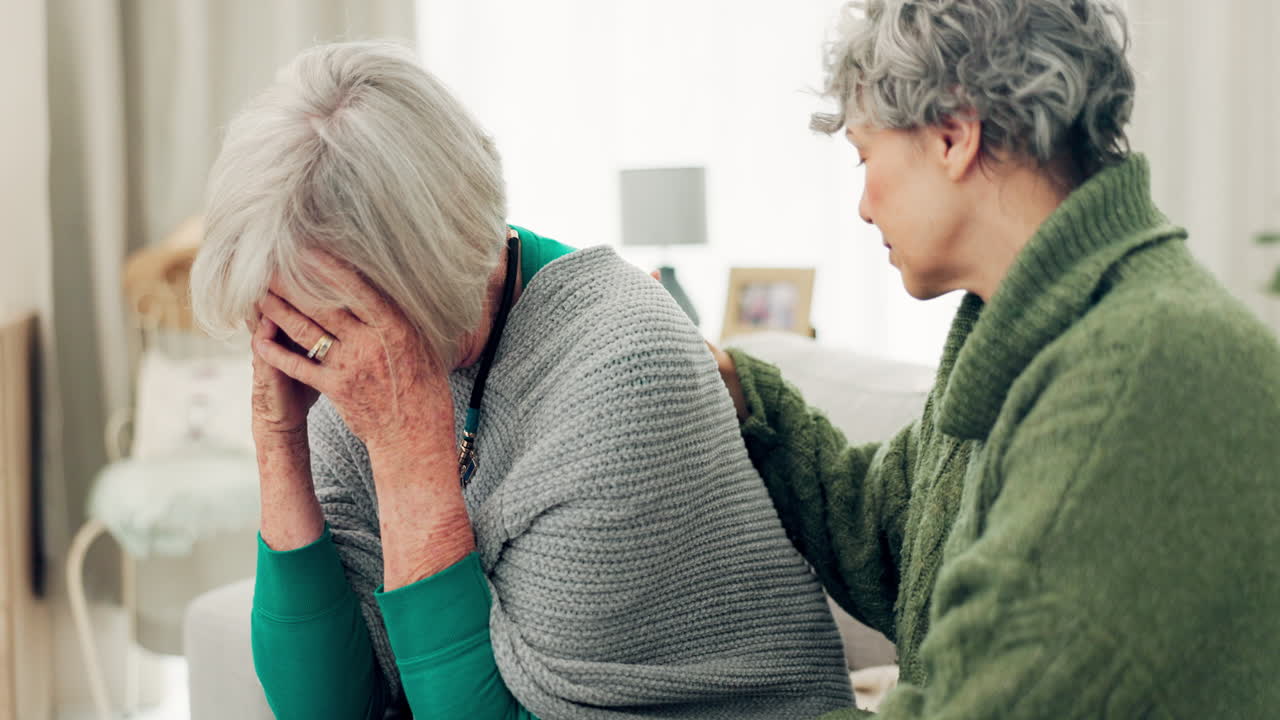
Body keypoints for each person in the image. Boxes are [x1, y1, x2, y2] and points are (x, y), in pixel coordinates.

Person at [189, 42, 854, 719]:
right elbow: (326, 709)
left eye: (315, 306)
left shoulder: (622, 366)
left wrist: (407, 452)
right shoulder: (355, 354)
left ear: (415, 273)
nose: (302, 335)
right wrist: (280, 440)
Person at [707, 0, 1280, 717]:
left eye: (865, 156)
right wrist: (741, 396)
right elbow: (891, 540)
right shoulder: (1026, 333)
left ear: (952, 133)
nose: (861, 205)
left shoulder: (1144, 370)